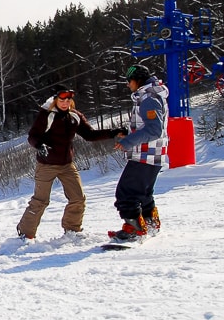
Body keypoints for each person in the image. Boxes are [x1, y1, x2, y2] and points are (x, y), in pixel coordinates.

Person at [16, 87, 124, 240]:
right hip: (47, 165)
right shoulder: (47, 115)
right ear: (55, 101)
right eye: (62, 100)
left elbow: (90, 135)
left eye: (68, 100)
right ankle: (26, 232)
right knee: (40, 200)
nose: (65, 103)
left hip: (67, 165)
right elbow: (33, 136)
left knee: (78, 198)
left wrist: (114, 132)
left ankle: (72, 230)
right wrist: (40, 146)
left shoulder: (74, 116)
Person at [111, 64, 170, 241]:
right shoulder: (150, 95)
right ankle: (150, 222)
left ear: (137, 80)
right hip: (153, 153)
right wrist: (129, 134)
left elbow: (153, 130)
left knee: (125, 193)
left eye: (129, 81)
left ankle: (134, 229)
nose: (128, 85)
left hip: (146, 154)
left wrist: (128, 142)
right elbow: (147, 127)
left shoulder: (149, 98)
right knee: (142, 192)